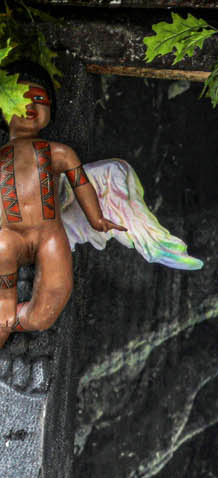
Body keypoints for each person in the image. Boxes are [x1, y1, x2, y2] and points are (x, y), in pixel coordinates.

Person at [0, 68, 125, 348]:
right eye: (20, 97)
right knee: (2, 247)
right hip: (9, 234)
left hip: (49, 234)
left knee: (53, 297)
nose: (30, 105)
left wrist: (96, 219)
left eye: (39, 98)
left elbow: (81, 184)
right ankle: (4, 303)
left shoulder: (59, 152)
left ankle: (14, 320)